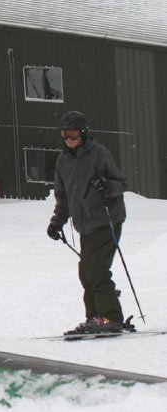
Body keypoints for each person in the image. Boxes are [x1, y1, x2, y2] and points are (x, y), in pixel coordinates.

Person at [46, 110, 130, 335]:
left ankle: (110, 318)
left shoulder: (99, 154)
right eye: (64, 135)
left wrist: (107, 186)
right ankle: (95, 317)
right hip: (84, 224)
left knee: (96, 270)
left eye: (72, 135)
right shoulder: (62, 161)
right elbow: (62, 197)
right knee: (86, 272)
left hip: (107, 220)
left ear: (83, 134)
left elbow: (120, 184)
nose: (68, 140)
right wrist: (57, 222)